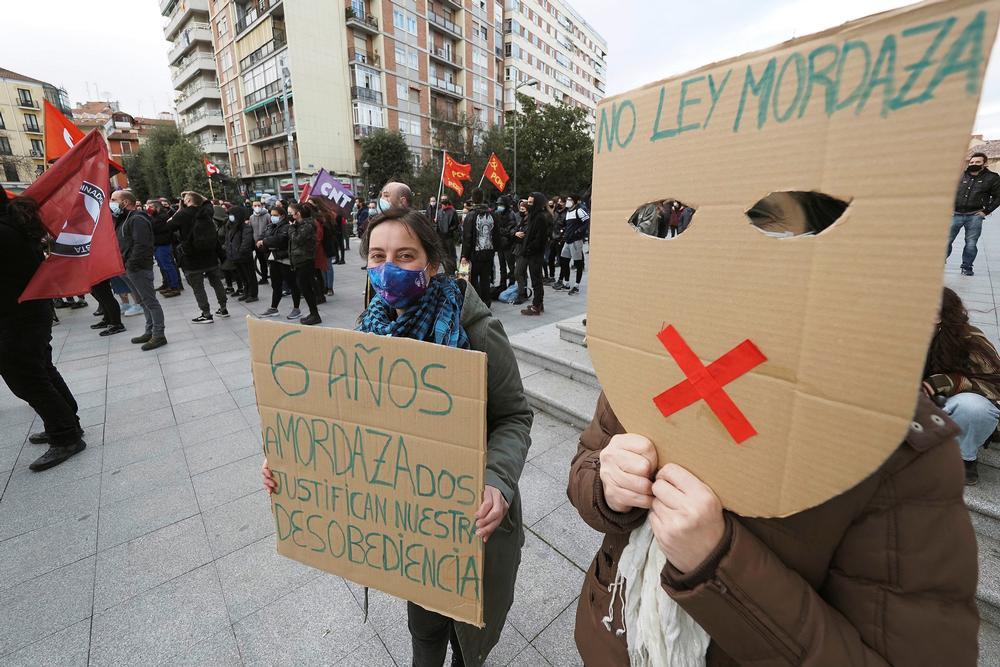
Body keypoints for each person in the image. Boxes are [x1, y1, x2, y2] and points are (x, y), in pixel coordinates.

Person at [262, 207, 532, 667]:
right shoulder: (368, 332)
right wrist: (291, 457)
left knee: (471, 634)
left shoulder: (477, 330)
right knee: (423, 627)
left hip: (472, 517)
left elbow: (515, 416)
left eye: (405, 256)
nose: (389, 268)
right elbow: (342, 423)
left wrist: (497, 481)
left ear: (431, 263)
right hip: (413, 527)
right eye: (378, 255)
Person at [569, 386, 979, 664]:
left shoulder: (898, 452)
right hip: (610, 632)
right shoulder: (647, 354)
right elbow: (586, 461)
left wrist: (719, 565)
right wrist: (605, 483)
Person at [0, 191, 86, 471]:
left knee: (26, 377)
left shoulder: (4, 231)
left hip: (18, 315)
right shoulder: (13, 223)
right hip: (28, 311)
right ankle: (66, 422)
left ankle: (66, 436)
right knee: (41, 369)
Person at [924, 287, 1000, 485]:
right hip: (915, 409)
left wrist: (951, 382)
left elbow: (996, 383)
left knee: (974, 408)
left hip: (950, 407)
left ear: (939, 317)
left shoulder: (969, 340)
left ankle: (963, 458)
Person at [112, 190, 167, 351]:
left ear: (126, 202)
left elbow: (141, 245)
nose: (111, 202)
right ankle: (149, 331)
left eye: (114, 199)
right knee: (142, 301)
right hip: (129, 267)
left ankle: (159, 334)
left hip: (138, 268)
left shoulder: (137, 219)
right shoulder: (124, 219)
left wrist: (131, 264)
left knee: (150, 301)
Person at [168, 191, 229, 323]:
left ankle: (206, 314)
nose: (183, 201)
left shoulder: (182, 215)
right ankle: (223, 308)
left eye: (185, 199)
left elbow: (168, 227)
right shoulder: (207, 211)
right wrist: (195, 195)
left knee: (198, 287)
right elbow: (207, 202)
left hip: (192, 257)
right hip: (210, 254)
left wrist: (178, 210)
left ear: (189, 200)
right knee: (216, 282)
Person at [949, 152, 1000, 276]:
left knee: (971, 243)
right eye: (972, 162)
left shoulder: (992, 178)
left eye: (978, 162)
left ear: (984, 163)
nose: (974, 164)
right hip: (956, 214)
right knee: (946, 241)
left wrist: (986, 211)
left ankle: (967, 267)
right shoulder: (960, 175)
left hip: (975, 216)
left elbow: (998, 196)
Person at [257, 203, 302, 319]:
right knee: (276, 285)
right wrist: (263, 242)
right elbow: (261, 237)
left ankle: (296, 308)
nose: (272, 217)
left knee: (292, 284)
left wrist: (265, 242)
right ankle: (273, 308)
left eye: (275, 215)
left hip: (285, 259)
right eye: (271, 215)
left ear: (282, 216)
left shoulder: (287, 226)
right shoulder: (270, 226)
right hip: (273, 259)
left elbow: (280, 240)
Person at [461, 188, 501, 307]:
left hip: (475, 254)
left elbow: (467, 237)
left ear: (473, 199)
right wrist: (496, 249)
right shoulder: (492, 214)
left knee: (473, 279)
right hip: (489, 252)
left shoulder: (471, 215)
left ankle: (476, 304)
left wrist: (464, 255)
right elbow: (496, 234)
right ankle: (486, 302)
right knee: (485, 279)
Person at [284, 201, 322, 325]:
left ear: (297, 214)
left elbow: (297, 239)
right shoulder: (299, 224)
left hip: (305, 260)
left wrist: (291, 227)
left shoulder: (307, 225)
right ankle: (313, 313)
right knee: (304, 287)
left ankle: (315, 314)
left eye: (290, 213)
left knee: (306, 288)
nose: (288, 215)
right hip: (299, 260)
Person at [516, 193, 550, 316]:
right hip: (531, 253)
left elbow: (539, 239)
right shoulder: (533, 216)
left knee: (536, 280)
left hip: (535, 254)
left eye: (530, 203)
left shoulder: (540, 217)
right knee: (536, 280)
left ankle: (536, 306)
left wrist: (528, 249)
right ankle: (538, 303)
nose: (528, 205)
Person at [556, 194, 590, 295]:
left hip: (576, 241)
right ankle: (566, 283)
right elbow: (567, 225)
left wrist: (578, 231)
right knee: (564, 260)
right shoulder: (568, 212)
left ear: (575, 201)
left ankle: (576, 286)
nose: (567, 201)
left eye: (570, 200)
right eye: (567, 199)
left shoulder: (579, 210)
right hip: (567, 240)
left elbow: (587, 221)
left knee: (578, 263)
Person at [149, 200, 181, 297]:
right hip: (159, 244)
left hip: (163, 244)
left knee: (168, 266)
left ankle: (175, 287)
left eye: (151, 207)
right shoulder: (156, 217)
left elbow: (154, 228)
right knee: (163, 266)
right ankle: (169, 285)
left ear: (157, 207)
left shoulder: (162, 217)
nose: (149, 209)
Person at [226, 204, 257, 303]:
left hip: (244, 256)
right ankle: (246, 292)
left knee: (249, 276)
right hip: (235, 257)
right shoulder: (232, 227)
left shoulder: (245, 227)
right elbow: (229, 241)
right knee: (243, 277)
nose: (230, 217)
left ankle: (253, 294)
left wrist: (240, 251)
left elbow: (246, 242)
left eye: (232, 215)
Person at [493, 196, 517, 289]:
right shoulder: (496, 213)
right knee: (502, 266)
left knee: (511, 266)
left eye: (501, 204)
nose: (499, 206)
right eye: (498, 204)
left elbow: (511, 229)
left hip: (508, 244)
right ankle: (502, 284)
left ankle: (512, 284)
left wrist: (500, 231)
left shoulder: (511, 214)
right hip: (500, 244)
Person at [435, 195, 459, 275]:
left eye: (444, 200)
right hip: (441, 237)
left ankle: (453, 271)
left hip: (449, 237)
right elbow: (438, 224)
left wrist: (449, 230)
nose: (443, 202)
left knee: (451, 255)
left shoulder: (452, 211)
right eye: (442, 200)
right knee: (444, 255)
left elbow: (456, 224)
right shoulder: (439, 211)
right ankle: (447, 271)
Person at [250, 199, 271, 284]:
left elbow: (270, 227)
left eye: (258, 205)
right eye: (255, 206)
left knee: (269, 261)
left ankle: (273, 277)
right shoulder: (251, 217)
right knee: (261, 262)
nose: (257, 207)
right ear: (252, 207)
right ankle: (264, 278)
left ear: (262, 206)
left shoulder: (267, 216)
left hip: (266, 242)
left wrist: (265, 239)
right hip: (256, 243)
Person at [546, 197, 566, 283]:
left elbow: (566, 226)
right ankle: (551, 276)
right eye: (558, 202)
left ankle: (561, 279)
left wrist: (562, 237)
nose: (559, 204)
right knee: (550, 258)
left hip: (561, 239)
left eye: (561, 202)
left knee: (561, 260)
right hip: (553, 238)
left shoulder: (567, 213)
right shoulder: (555, 212)